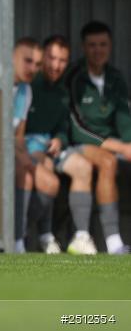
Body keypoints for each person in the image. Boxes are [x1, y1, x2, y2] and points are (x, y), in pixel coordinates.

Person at [25, 35, 98, 254]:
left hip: (52, 147)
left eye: (62, 60)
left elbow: (64, 128)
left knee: (83, 167)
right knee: (45, 168)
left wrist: (60, 140)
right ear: (42, 57)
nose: (56, 65)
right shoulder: (28, 85)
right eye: (51, 58)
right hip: (28, 149)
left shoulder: (63, 93)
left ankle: (81, 237)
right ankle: (43, 236)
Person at [65, 21, 131, 254]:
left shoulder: (115, 77)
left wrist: (129, 143)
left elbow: (125, 116)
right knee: (107, 161)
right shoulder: (74, 76)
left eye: (103, 44)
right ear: (83, 47)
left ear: (110, 46)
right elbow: (75, 126)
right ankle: (114, 243)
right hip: (80, 145)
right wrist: (119, 147)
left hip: (116, 145)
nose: (98, 50)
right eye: (92, 45)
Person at [12, 37, 60, 253]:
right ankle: (16, 241)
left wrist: (28, 161)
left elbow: (18, 136)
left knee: (50, 183)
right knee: (26, 172)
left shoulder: (26, 91)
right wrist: (27, 163)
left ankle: (19, 233)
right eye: (27, 61)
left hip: (12, 152)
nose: (33, 68)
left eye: (38, 64)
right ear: (12, 57)